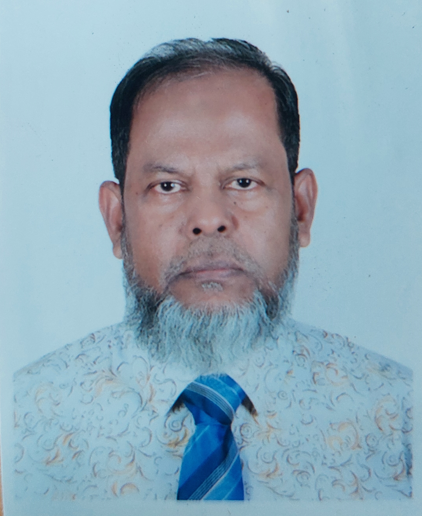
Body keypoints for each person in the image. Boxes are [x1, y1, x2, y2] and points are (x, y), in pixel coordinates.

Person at [14, 38, 412, 502]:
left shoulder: (400, 416)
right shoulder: (23, 418)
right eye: (167, 185)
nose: (208, 219)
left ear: (301, 210)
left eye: (243, 182)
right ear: (117, 219)